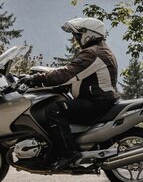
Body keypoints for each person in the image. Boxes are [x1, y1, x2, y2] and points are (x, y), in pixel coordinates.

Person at [21, 17, 119, 170]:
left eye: (78, 35)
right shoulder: (99, 50)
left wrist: (35, 79)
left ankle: (68, 153)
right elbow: (75, 74)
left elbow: (67, 74)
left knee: (53, 110)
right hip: (98, 100)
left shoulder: (93, 54)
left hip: (97, 103)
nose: (76, 38)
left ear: (89, 34)